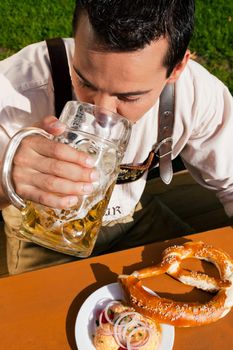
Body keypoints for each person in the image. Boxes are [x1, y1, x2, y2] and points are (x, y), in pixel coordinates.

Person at [0, 0, 232, 275]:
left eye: (129, 96)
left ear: (177, 68)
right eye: (85, 81)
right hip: (43, 236)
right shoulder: (15, 88)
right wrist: (5, 178)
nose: (103, 113)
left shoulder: (196, 95)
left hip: (134, 217)